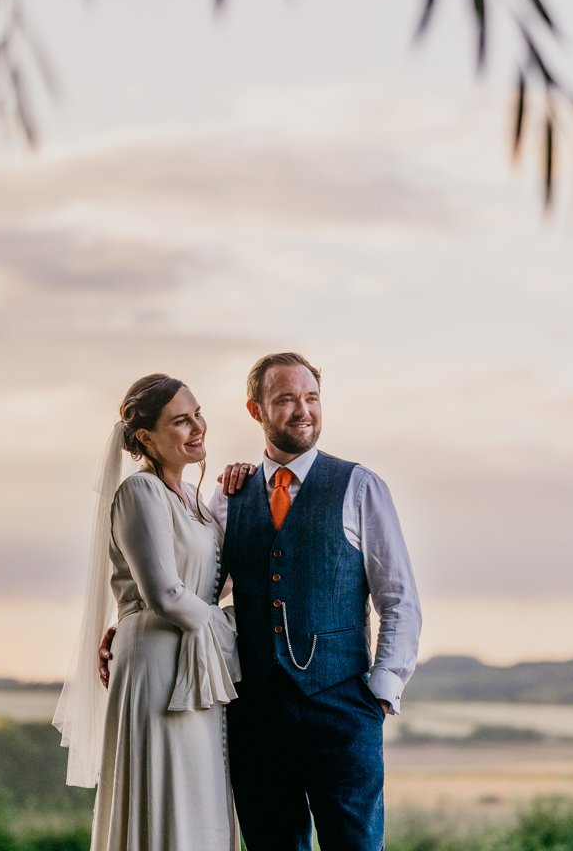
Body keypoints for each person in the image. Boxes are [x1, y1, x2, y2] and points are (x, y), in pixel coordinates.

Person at [101, 352, 421, 851]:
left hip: (343, 707)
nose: (303, 411)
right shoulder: (229, 495)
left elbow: (398, 597)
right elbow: (198, 583)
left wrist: (382, 689)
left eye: (311, 398)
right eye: (286, 399)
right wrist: (129, 623)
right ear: (256, 410)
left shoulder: (361, 486)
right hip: (255, 711)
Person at [53, 373, 241, 851]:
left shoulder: (196, 502)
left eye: (198, 413)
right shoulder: (139, 494)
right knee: (164, 791)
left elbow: (216, 583)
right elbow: (163, 594)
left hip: (199, 663)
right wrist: (239, 635)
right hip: (159, 668)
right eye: (181, 420)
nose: (198, 426)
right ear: (145, 438)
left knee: (200, 794)